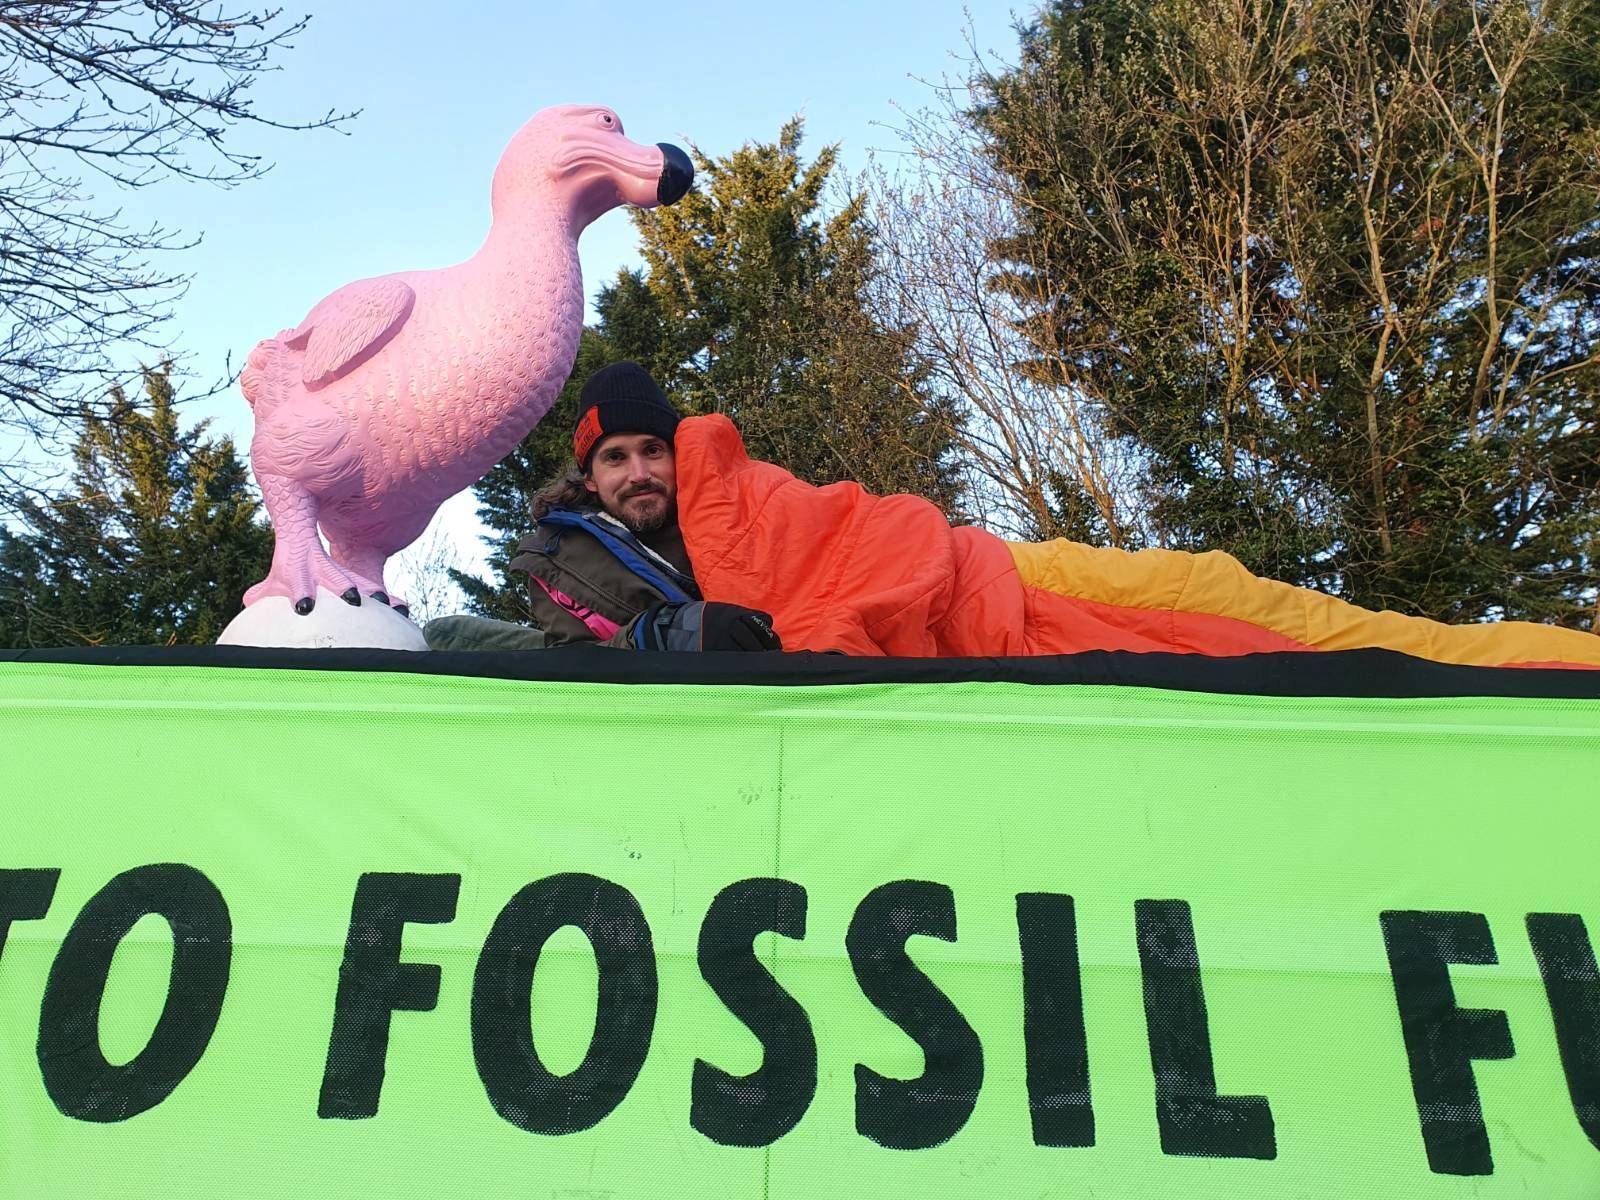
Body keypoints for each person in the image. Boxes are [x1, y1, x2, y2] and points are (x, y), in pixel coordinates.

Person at [508, 361, 782, 652]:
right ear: (590, 478)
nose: (639, 474)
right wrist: (660, 633)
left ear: (677, 456)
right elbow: (576, 670)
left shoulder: (751, 508)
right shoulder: (557, 564)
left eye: (652, 450)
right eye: (615, 457)